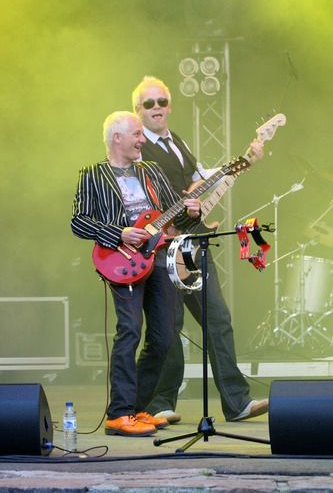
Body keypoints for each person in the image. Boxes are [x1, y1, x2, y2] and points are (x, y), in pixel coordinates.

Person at [132, 76, 269, 423]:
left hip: (192, 243)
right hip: (163, 247)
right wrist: (178, 206)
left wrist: (246, 161)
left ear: (170, 105)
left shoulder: (174, 141)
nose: (157, 109)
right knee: (168, 325)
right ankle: (159, 402)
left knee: (217, 319)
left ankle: (237, 402)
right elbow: (137, 196)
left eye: (162, 102)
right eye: (149, 104)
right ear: (138, 111)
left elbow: (200, 177)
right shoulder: (137, 149)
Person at [71, 111, 201, 437]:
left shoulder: (151, 171)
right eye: (137, 135)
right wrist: (118, 233)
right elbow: (79, 221)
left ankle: (138, 408)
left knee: (164, 336)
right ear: (117, 138)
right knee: (129, 331)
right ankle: (119, 414)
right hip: (121, 260)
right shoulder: (93, 175)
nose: (143, 140)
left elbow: (175, 217)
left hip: (156, 258)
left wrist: (191, 212)